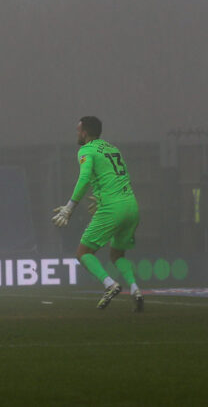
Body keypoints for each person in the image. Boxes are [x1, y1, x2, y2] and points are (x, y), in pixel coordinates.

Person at [52, 116, 143, 312]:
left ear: (85, 132)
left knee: (83, 253)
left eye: (78, 130)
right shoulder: (113, 149)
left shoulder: (86, 150)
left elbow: (84, 178)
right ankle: (135, 289)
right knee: (117, 254)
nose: (77, 133)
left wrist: (70, 207)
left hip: (113, 209)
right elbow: (117, 177)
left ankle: (110, 284)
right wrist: (100, 197)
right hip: (131, 206)